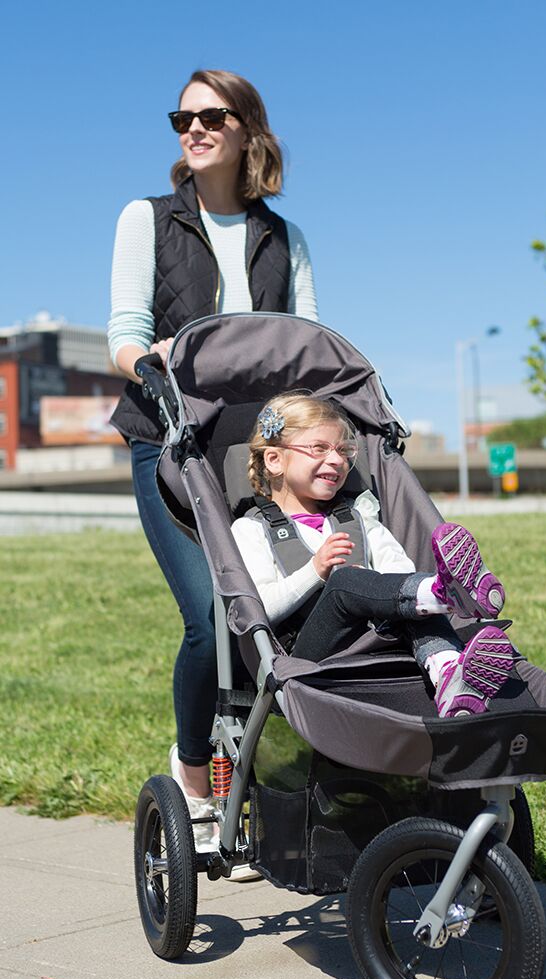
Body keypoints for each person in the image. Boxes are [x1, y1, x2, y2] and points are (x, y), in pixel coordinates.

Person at [107, 70, 318, 861]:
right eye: (182, 118)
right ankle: (194, 776)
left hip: (256, 451)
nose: (192, 129)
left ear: (247, 130)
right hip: (166, 443)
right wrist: (153, 359)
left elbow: (306, 348)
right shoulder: (148, 219)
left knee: (292, 608)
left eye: (211, 116)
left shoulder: (285, 239)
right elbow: (121, 334)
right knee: (208, 620)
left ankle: (296, 774)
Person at [232, 393, 514, 715]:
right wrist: (315, 570)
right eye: (320, 448)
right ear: (274, 460)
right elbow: (260, 610)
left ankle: (450, 673)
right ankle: (448, 596)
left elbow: (400, 575)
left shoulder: (359, 520)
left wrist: (398, 594)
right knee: (348, 581)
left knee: (407, 598)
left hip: (377, 639)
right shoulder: (252, 529)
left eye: (343, 451)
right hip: (307, 657)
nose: (337, 460)